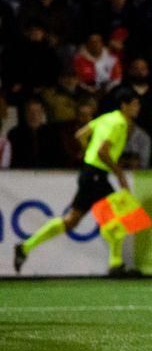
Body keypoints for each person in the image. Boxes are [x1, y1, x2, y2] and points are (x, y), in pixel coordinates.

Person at [14, 87, 141, 276]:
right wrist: (120, 174)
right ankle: (116, 264)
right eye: (135, 104)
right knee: (116, 215)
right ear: (124, 105)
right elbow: (102, 151)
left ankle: (25, 247)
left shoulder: (107, 118)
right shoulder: (119, 123)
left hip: (89, 172)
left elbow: (81, 134)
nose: (138, 108)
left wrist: (86, 152)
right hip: (97, 173)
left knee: (72, 220)